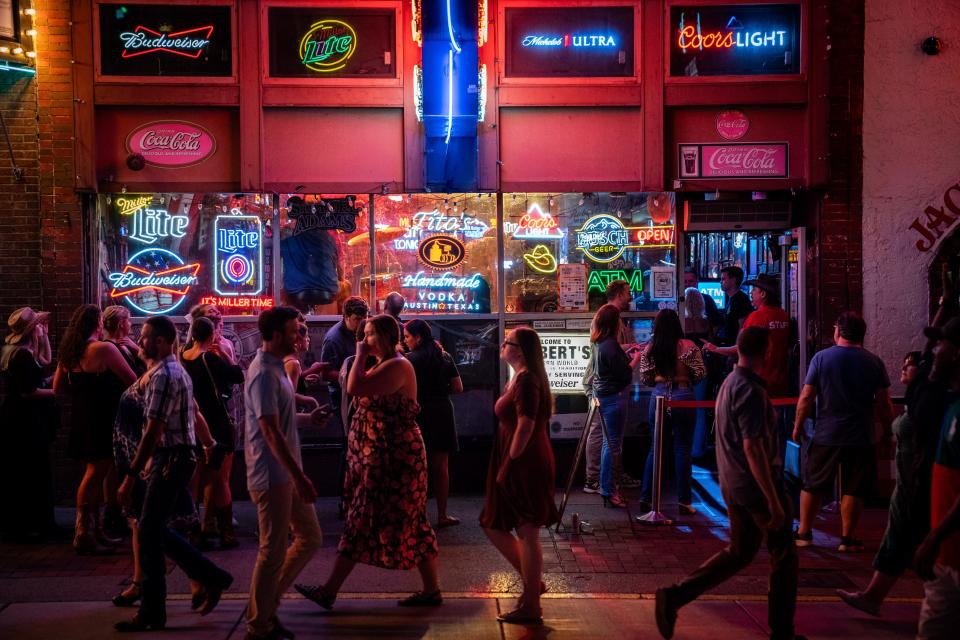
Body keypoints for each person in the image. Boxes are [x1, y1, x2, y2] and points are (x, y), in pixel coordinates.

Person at [654, 327, 800, 640]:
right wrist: (773, 499)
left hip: (734, 484)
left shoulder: (729, 384)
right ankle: (782, 630)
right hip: (756, 486)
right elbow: (752, 447)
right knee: (784, 554)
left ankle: (675, 596)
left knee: (740, 552)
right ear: (767, 352)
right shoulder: (750, 390)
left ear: (738, 351)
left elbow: (726, 441)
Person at [296, 315, 441, 610]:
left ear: (388, 336)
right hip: (377, 454)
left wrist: (359, 357)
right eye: (363, 334)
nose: (364, 339)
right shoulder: (380, 364)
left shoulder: (397, 365)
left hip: (393, 457)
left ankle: (329, 591)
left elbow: (355, 388)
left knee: (365, 520)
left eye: (372, 334)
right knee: (408, 519)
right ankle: (431, 589)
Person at [114, 315, 233, 632]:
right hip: (167, 458)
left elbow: (154, 428)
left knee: (151, 530)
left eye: (147, 337)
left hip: (171, 459)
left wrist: (131, 474)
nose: (140, 341)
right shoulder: (163, 371)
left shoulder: (166, 374)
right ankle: (208, 578)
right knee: (154, 529)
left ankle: (160, 607)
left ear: (164, 342)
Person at [243, 306, 323, 640]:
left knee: (310, 537)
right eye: (294, 331)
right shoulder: (263, 372)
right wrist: (299, 476)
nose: (300, 336)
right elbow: (270, 431)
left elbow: (282, 421)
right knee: (272, 549)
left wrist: (308, 419)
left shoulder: (277, 368)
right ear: (276, 335)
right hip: (272, 474)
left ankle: (266, 606)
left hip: (285, 472)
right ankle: (260, 625)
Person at [792, 312, 893, 552]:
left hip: (827, 432)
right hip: (861, 434)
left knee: (813, 483)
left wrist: (798, 426)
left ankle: (804, 532)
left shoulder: (821, 359)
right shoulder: (874, 362)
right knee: (854, 487)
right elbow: (884, 404)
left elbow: (807, 396)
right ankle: (847, 538)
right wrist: (888, 432)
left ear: (838, 331)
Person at [480, 327, 560, 626]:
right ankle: (532, 584)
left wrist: (511, 461)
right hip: (517, 456)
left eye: (508, 342)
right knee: (494, 522)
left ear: (521, 350)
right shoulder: (520, 376)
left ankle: (531, 604)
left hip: (524, 460)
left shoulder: (526, 380)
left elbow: (525, 424)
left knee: (527, 531)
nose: (503, 344)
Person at [838, 350, 928, 616]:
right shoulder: (917, 399)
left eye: (909, 365)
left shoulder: (928, 405)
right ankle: (873, 596)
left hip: (916, 486)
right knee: (898, 540)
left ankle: (874, 596)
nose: (902, 368)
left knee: (905, 540)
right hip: (905, 484)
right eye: (903, 362)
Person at [53, 304, 137, 555]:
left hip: (82, 418)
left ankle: (95, 529)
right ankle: (83, 533)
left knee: (96, 474)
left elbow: (59, 388)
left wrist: (83, 396)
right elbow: (132, 380)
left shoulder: (71, 352)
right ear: (97, 323)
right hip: (103, 418)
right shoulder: (104, 348)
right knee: (94, 474)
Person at [913, 318, 960, 640]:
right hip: (947, 557)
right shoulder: (949, 402)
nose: (934, 351)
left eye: (940, 344)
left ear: (956, 353)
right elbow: (920, 394)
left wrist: (934, 538)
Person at [181, 316, 245, 550]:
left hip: (192, 421)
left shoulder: (182, 355)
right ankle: (227, 533)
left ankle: (194, 532)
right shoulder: (210, 357)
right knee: (219, 479)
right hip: (216, 421)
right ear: (211, 335)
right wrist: (226, 354)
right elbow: (237, 376)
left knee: (194, 479)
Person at [639, 309, 705, 515]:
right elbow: (700, 373)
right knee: (683, 449)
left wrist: (662, 379)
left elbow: (645, 378)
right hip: (684, 397)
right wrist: (683, 378)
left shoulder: (651, 349)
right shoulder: (689, 347)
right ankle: (684, 501)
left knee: (655, 448)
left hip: (658, 398)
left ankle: (646, 498)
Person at [1, 307, 57, 542]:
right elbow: (28, 391)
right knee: (31, 469)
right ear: (30, 329)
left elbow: (45, 360)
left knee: (22, 470)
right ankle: (31, 525)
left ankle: (26, 523)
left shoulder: (12, 350)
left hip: (16, 418)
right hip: (25, 420)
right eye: (39, 326)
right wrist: (55, 391)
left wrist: (43, 336)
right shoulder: (22, 355)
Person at [582, 279, 641, 494]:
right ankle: (594, 479)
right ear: (618, 294)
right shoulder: (608, 316)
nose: (630, 294)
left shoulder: (609, 316)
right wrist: (634, 351)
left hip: (604, 382)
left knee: (609, 433)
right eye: (627, 291)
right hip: (605, 384)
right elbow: (609, 349)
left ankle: (611, 474)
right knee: (601, 432)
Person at [403, 319, 464, 527]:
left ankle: (419, 515)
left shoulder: (408, 360)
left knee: (416, 466)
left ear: (418, 337)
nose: (405, 341)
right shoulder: (444, 356)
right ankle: (442, 514)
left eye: (407, 337)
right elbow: (458, 387)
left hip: (418, 413)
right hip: (442, 412)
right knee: (441, 466)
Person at [319, 296, 369, 432]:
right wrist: (351, 376)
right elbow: (326, 373)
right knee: (348, 435)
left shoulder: (363, 331)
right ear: (346, 316)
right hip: (342, 396)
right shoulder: (333, 339)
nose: (362, 323)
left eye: (365, 318)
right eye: (357, 319)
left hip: (361, 393)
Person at [714, 266, 752, 347]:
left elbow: (742, 327)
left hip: (735, 349)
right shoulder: (731, 298)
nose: (720, 282)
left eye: (723, 279)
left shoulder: (741, 300)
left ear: (733, 280)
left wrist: (736, 350)